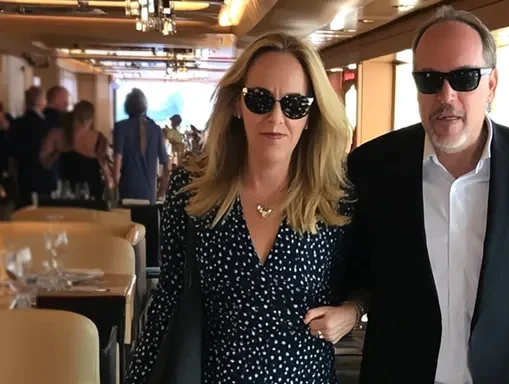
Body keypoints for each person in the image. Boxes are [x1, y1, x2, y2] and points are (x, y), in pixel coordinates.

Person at [345, 6, 509, 384]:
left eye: (464, 78)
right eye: (429, 79)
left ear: (491, 85)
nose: (446, 95)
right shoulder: (372, 168)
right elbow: (350, 271)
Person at [125, 32, 361, 384]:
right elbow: (169, 299)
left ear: (310, 116)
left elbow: (369, 279)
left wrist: (354, 312)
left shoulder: (335, 199)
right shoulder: (192, 192)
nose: (276, 117)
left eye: (294, 104)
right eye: (261, 100)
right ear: (237, 105)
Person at [39, 100, 112, 200]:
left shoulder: (57, 135)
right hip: (87, 192)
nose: (82, 125)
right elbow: (105, 169)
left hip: (68, 191)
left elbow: (44, 163)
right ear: (91, 119)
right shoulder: (98, 137)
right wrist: (110, 188)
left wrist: (57, 152)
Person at [113, 89, 170, 203]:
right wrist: (162, 190)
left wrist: (114, 187)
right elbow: (167, 164)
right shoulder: (156, 129)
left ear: (127, 107)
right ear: (145, 107)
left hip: (127, 193)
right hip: (149, 195)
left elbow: (117, 164)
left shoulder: (121, 127)